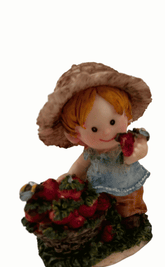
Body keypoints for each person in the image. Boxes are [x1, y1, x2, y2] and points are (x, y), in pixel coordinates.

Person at [37, 62, 152, 219]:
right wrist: (70, 177)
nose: (107, 132)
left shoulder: (126, 142)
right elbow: (80, 165)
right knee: (100, 211)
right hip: (97, 191)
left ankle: (131, 219)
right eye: (94, 129)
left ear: (128, 114)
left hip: (126, 188)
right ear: (74, 135)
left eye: (113, 122)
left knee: (128, 210)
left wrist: (138, 151)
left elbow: (132, 155)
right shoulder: (91, 151)